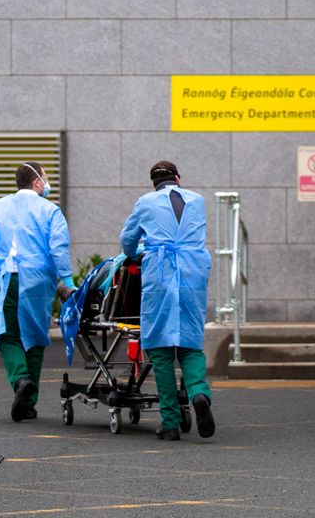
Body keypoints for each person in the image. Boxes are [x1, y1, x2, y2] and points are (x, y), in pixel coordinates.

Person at [0, 162, 75, 421]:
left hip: (7, 278)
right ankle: (29, 404)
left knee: (8, 335)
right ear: (37, 183)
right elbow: (58, 247)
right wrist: (66, 278)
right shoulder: (50, 210)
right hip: (37, 280)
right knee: (35, 337)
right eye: (45, 178)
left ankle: (21, 380)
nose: (47, 183)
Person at [118, 160, 215, 441]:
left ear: (153, 183)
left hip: (160, 274)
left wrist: (135, 251)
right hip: (192, 274)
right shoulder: (197, 201)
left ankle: (170, 422)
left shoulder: (146, 202)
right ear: (178, 178)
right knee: (191, 344)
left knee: (160, 350)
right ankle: (199, 394)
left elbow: (127, 239)